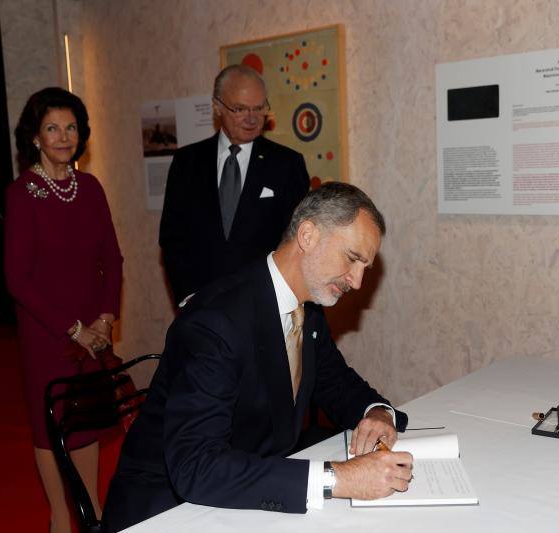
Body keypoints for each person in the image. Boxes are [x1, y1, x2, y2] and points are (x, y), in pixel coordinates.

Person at [103, 182, 413, 532]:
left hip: (244, 491)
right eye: (352, 258)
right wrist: (337, 479)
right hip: (167, 509)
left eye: (365, 268)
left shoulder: (307, 309)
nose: (357, 282)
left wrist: (376, 413)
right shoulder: (215, 321)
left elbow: (336, 382)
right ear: (307, 236)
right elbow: (196, 467)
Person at [5, 87, 123, 533]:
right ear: (35, 137)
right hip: (47, 333)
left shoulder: (89, 187)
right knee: (51, 424)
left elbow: (113, 260)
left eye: (70, 127)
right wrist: (72, 329)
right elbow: (18, 279)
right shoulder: (22, 193)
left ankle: (91, 512)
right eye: (52, 128)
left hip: (93, 329)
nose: (63, 137)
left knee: (86, 420)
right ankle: (60, 518)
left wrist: (105, 319)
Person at [159, 64, 310, 306]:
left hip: (265, 304)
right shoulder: (187, 162)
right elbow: (173, 236)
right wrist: (189, 297)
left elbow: (297, 241)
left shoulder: (286, 165)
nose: (252, 118)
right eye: (239, 109)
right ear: (217, 106)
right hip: (202, 304)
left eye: (259, 108)